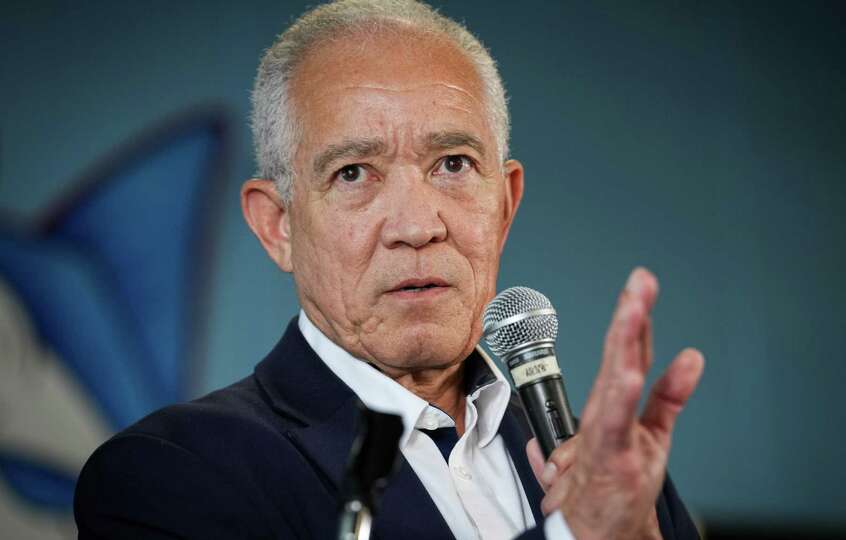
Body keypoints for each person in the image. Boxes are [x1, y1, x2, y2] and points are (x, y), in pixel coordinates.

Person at [74, 1, 705, 538]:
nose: (417, 225)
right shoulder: (172, 474)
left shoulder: (611, 479)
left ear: (505, 205)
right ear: (278, 225)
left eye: (453, 164)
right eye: (353, 173)